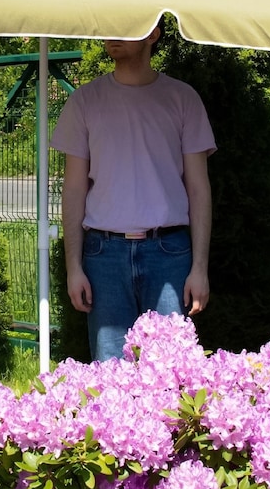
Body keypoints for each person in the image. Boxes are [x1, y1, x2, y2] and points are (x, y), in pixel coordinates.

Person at [50, 24, 216, 361]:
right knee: (109, 377)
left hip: (169, 254)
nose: (113, 33)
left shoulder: (183, 99)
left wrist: (200, 268)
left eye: (125, 26)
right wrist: (73, 268)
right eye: (110, 25)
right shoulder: (84, 101)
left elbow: (199, 188)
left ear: (153, 34)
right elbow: (74, 189)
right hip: (104, 257)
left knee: (171, 372)